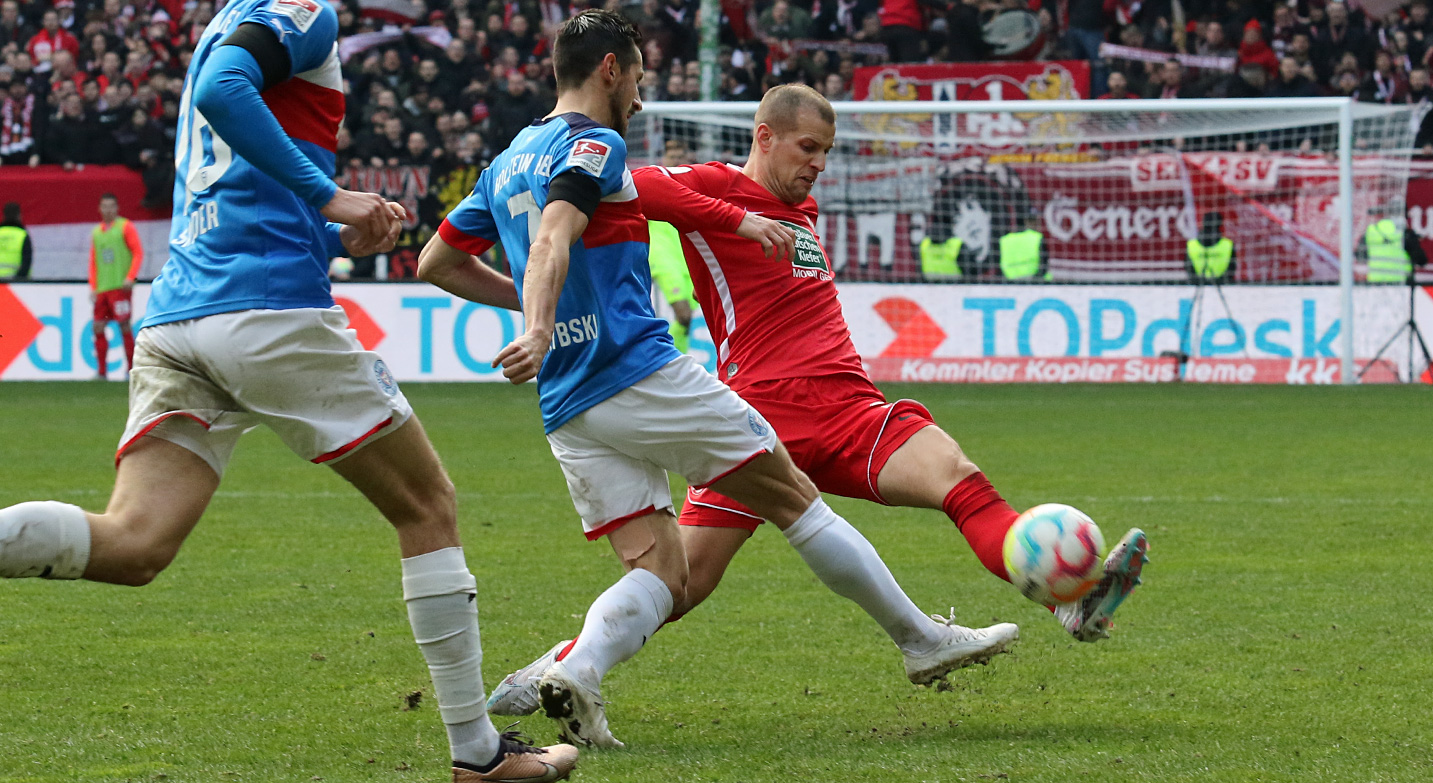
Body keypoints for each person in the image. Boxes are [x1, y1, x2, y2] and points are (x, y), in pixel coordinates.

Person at [0, 1, 576, 781]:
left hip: (180, 315)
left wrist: (331, 233)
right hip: (262, 308)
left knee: (133, 543)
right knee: (427, 504)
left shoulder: (224, 22)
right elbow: (224, 96)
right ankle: (479, 754)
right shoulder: (301, 10)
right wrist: (331, 197)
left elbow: (232, 179)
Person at [418, 14, 1016, 750]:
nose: (640, 97)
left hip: (568, 404)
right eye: (637, 77)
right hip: (637, 373)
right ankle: (920, 637)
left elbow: (435, 263)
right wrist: (537, 321)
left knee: (664, 571)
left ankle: (577, 668)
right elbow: (552, 238)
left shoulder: (507, 161)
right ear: (611, 69)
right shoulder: (592, 143)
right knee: (796, 498)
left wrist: (539, 306)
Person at [477, 83, 1147, 730]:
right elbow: (639, 185)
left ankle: (1068, 593)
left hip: (849, 407)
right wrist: (735, 216)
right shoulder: (712, 183)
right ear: (763, 137)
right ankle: (564, 663)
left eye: (826, 151)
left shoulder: (804, 210)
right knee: (681, 583)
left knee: (955, 480)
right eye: (806, 148)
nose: (818, 165)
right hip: (761, 416)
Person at [647, 138, 698, 351]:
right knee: (683, 313)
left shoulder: (693, 187)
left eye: (680, 156)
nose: (676, 160)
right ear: (664, 158)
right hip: (662, 255)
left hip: (685, 256)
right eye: (671, 155)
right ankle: (670, 359)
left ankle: (678, 356)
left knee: (687, 320)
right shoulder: (654, 181)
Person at [88, 193, 143, 380]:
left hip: (120, 287)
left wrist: (130, 277)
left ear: (117, 208)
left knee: (124, 326)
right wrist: (93, 286)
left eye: (111, 206)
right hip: (103, 288)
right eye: (104, 206)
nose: (108, 210)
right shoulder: (97, 232)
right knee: (98, 326)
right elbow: (93, 261)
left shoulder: (125, 227)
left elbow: (138, 252)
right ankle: (101, 373)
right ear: (99, 208)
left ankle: (131, 371)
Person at [0, 201, 32, 280]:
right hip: (19, 287)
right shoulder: (22, 236)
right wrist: (17, 282)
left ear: (3, 216)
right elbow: (26, 263)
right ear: (19, 216)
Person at [1000, 211, 1050, 281]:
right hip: (1035, 282)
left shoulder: (1005, 240)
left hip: (1010, 282)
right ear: (1028, 222)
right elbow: (1044, 264)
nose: (1038, 225)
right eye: (1036, 221)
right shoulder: (1036, 237)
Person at [1187, 211, 1235, 283]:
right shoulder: (1228, 244)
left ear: (1203, 223)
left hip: (1197, 286)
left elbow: (1189, 269)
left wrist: (1198, 281)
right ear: (1220, 225)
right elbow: (1231, 269)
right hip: (1223, 286)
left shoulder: (1191, 244)